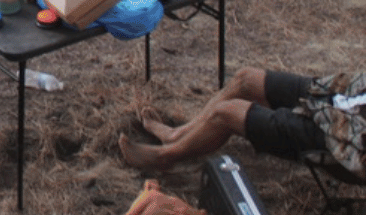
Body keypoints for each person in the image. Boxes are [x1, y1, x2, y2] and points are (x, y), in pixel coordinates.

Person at [119, 67, 366, 176]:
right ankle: (178, 133)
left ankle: (167, 157)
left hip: (340, 135)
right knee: (245, 79)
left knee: (227, 114)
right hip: (343, 95)